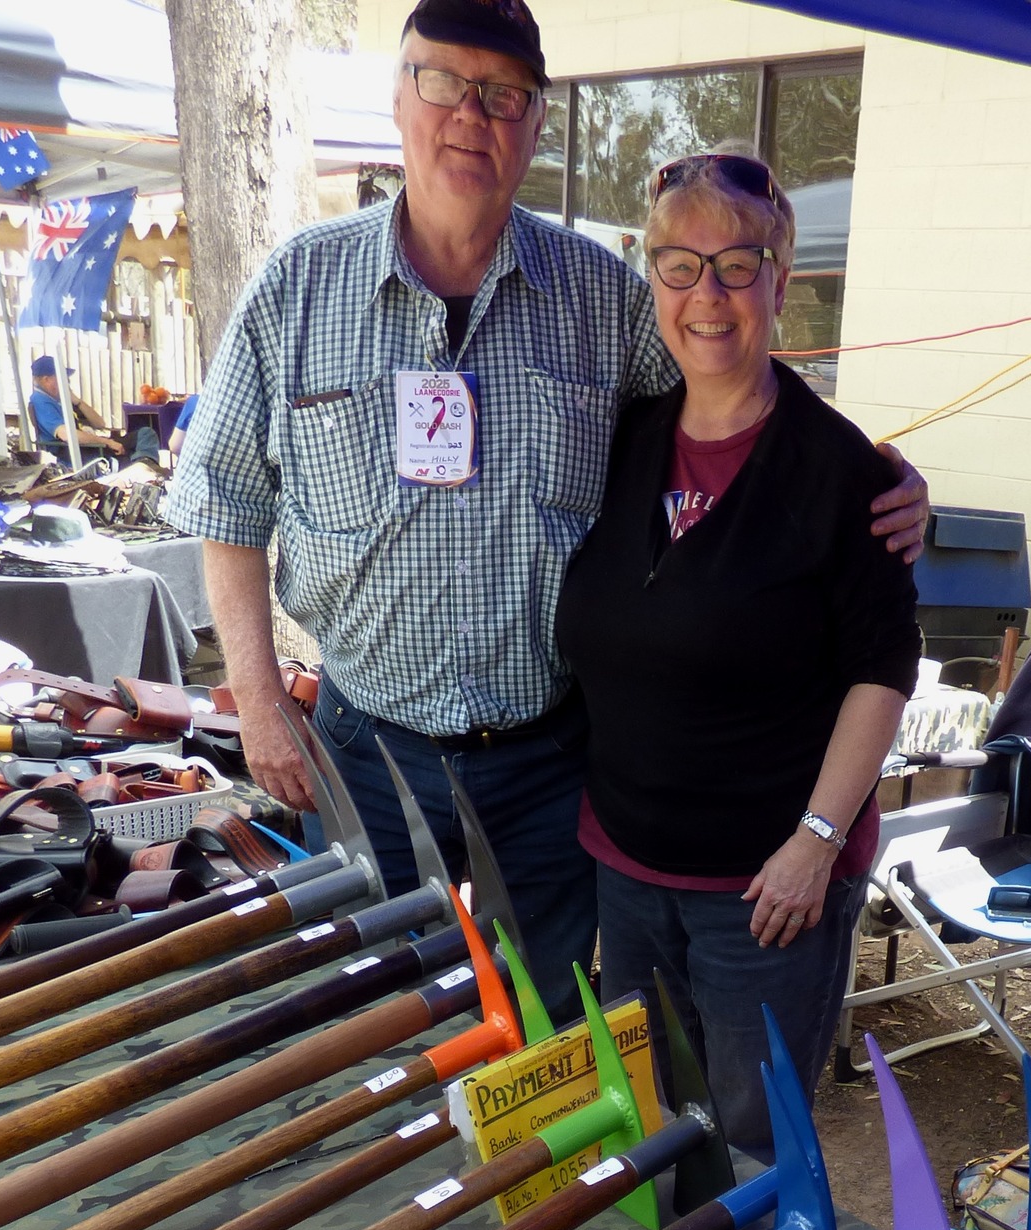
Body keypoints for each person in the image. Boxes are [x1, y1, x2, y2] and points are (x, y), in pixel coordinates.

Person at [164, 0, 926, 1023]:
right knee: (378, 1026)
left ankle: (538, 1186)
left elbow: (727, 388)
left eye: (503, 95)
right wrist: (257, 699)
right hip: (364, 753)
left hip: (544, 767)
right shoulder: (296, 288)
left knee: (551, 1040)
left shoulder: (601, 298)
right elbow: (227, 504)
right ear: (399, 97)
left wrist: (871, 473)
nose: (470, 116)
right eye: (443, 82)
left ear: (534, 124)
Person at [555, 154, 918, 1153]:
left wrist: (813, 839)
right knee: (651, 1122)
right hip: (624, 869)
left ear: (779, 284)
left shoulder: (843, 473)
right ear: (651, 279)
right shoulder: (622, 438)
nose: (705, 295)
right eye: (679, 266)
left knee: (755, 1141)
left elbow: (881, 668)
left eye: (735, 265)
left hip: (765, 893)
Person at [27, 357, 124, 463]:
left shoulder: (61, 400)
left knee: (142, 434)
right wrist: (107, 442)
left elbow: (99, 423)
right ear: (47, 380)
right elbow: (67, 435)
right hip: (67, 453)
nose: (66, 383)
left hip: (86, 447)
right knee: (129, 453)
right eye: (63, 378)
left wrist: (77, 401)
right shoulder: (41, 401)